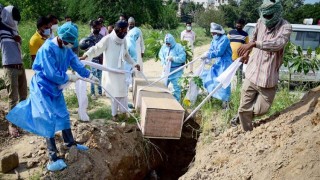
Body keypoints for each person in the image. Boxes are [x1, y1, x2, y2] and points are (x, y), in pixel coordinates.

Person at [6, 22, 100, 171]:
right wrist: (68, 77)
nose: (70, 45)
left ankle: (70, 143)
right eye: (68, 42)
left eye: (71, 43)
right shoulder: (47, 49)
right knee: (48, 118)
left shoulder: (66, 48)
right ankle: (53, 157)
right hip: (43, 88)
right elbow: (51, 74)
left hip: (55, 88)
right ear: (61, 38)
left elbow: (75, 62)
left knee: (63, 114)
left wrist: (88, 74)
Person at [232, 0, 292, 131]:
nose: (266, 19)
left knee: (261, 110)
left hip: (268, 78)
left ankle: (244, 117)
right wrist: (247, 52)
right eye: (264, 16)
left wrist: (255, 44)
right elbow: (252, 39)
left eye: (269, 16)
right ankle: (246, 132)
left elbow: (278, 44)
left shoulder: (285, 26)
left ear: (277, 13)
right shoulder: (260, 22)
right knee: (243, 107)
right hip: (252, 73)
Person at [80, 20, 140, 120]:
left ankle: (124, 112)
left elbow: (126, 55)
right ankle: (114, 115)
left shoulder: (123, 40)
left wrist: (134, 63)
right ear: (120, 30)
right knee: (114, 94)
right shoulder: (107, 39)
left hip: (120, 71)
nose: (126, 32)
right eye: (125, 30)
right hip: (111, 73)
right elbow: (96, 48)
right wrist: (86, 55)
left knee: (123, 92)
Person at [0, 5, 27, 138]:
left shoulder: (14, 30)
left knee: (23, 96)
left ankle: (21, 121)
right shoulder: (1, 29)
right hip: (10, 68)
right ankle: (12, 125)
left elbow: (17, 46)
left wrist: (19, 40)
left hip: (20, 66)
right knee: (13, 98)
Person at [201, 23, 232, 108]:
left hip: (225, 63)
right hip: (218, 62)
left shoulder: (225, 39)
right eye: (212, 33)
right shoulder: (214, 40)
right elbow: (211, 49)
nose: (212, 35)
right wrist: (207, 57)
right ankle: (210, 96)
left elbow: (219, 52)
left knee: (224, 82)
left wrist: (209, 55)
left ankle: (225, 101)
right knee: (209, 77)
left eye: (214, 33)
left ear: (218, 33)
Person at [159, 33, 186, 102]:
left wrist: (173, 58)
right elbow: (161, 55)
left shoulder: (178, 47)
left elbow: (182, 58)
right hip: (166, 70)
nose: (168, 45)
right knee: (162, 86)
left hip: (176, 71)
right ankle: (162, 102)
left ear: (172, 42)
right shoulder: (164, 47)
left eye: (169, 44)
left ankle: (177, 103)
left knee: (176, 88)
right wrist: (163, 63)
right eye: (167, 44)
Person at [228, 19, 249, 84]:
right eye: (238, 23)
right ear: (235, 24)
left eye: (241, 24)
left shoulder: (245, 34)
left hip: (240, 58)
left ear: (243, 25)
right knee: (228, 73)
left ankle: (238, 87)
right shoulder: (230, 32)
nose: (239, 25)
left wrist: (246, 56)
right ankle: (228, 86)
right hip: (230, 57)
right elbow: (225, 43)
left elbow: (248, 46)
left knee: (239, 73)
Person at [88, 20, 104, 99]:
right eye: (95, 28)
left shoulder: (101, 37)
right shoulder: (89, 37)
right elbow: (88, 50)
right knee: (93, 75)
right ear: (92, 27)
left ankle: (100, 92)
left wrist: (102, 58)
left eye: (98, 28)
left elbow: (103, 49)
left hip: (100, 59)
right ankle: (93, 93)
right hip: (93, 59)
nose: (97, 29)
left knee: (99, 76)